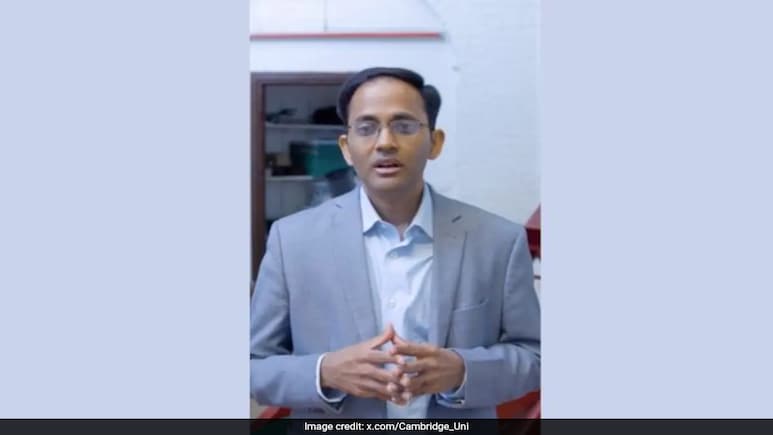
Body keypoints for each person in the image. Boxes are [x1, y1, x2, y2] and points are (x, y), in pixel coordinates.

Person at [250, 67, 540, 419]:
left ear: (435, 142)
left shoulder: (498, 241)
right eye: (366, 128)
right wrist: (324, 372)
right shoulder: (292, 241)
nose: (385, 142)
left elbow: (534, 356)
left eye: (404, 126)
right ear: (346, 148)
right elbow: (254, 366)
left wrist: (463, 371)